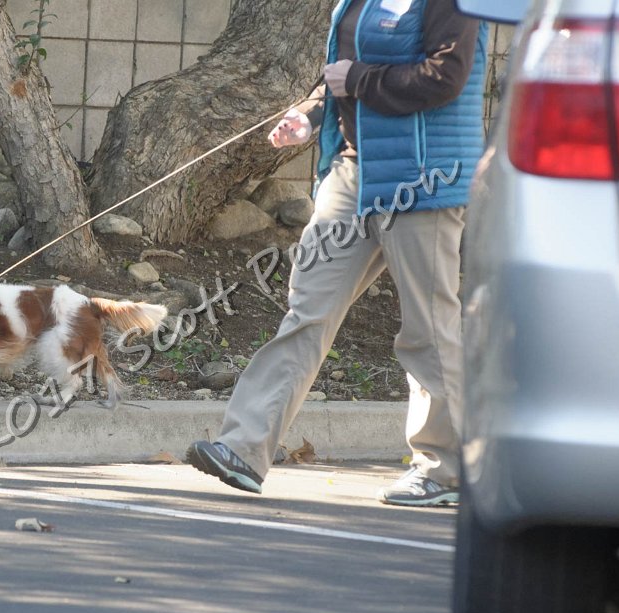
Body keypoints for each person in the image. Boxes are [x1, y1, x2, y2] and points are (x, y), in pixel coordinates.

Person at [186, 0, 488, 507]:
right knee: (307, 312)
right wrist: (308, 115)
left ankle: (444, 470)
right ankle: (243, 449)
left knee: (429, 329)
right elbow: (339, 76)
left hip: (421, 181)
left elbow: (445, 77)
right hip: (352, 176)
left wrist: (359, 80)